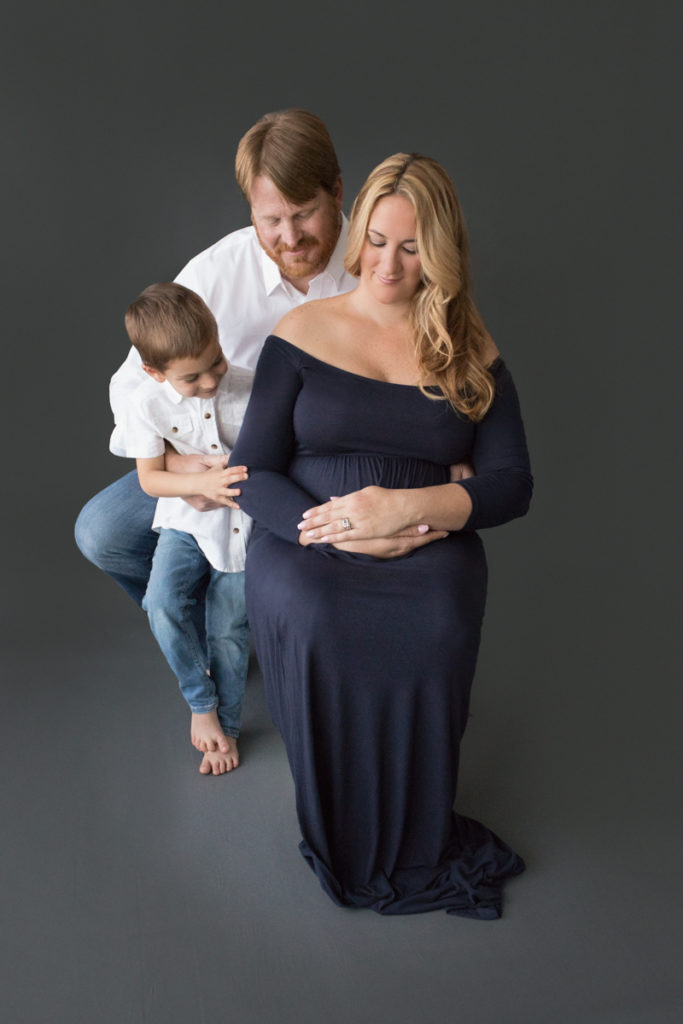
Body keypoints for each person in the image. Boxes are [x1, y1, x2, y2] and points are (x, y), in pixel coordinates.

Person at [230, 153, 533, 917]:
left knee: (439, 618)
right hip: (305, 539)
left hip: (428, 543)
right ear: (355, 233)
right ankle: (343, 822)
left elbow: (510, 484)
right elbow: (251, 472)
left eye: (409, 246)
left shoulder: (468, 347)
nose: (387, 264)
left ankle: (415, 823)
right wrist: (325, 528)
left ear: (439, 251)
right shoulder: (302, 331)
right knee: (318, 616)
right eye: (374, 240)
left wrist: (408, 509)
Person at [74, 109, 358, 604]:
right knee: (102, 532)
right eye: (271, 220)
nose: (289, 238)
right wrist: (177, 467)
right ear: (251, 210)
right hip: (221, 459)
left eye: (303, 213)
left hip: (328, 466)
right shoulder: (216, 271)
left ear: (335, 191)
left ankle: (260, 615)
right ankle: (208, 624)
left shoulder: (377, 265)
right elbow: (131, 384)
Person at [123, 282, 253, 775]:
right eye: (191, 377)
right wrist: (194, 486)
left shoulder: (251, 386)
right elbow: (149, 477)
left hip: (244, 525)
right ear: (155, 372)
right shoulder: (146, 403)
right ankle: (202, 703)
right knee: (161, 602)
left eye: (215, 363)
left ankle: (230, 728)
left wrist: (232, 481)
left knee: (230, 627)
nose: (210, 381)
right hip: (186, 520)